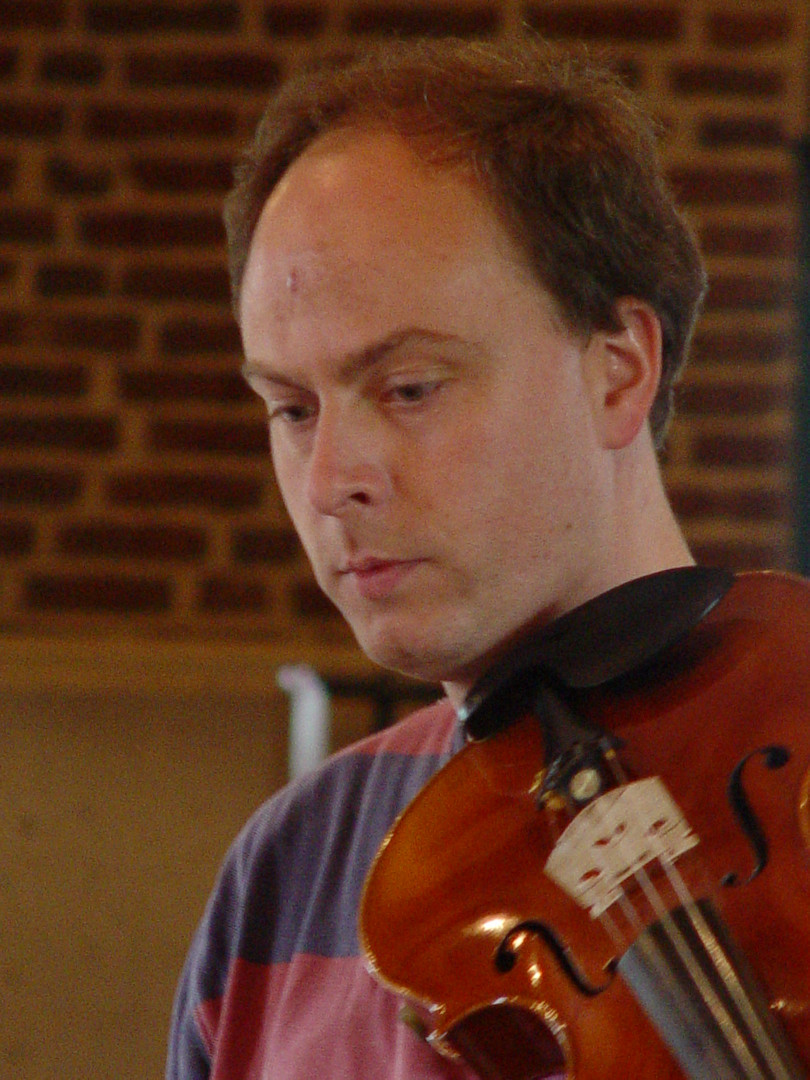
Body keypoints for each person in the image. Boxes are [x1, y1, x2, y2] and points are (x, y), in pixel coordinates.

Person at [166, 34, 707, 1079]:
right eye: (291, 408)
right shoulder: (287, 869)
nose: (330, 481)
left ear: (618, 371)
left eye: (410, 388)